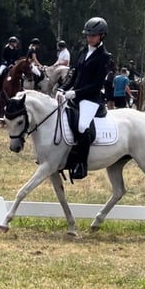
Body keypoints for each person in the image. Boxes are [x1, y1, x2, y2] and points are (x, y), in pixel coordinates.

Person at [57, 16, 112, 180]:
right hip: (76, 96)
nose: (90, 38)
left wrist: (76, 93)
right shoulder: (83, 51)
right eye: (88, 35)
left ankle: (82, 164)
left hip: (91, 99)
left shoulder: (104, 56)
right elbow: (74, 75)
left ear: (101, 36)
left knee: (82, 126)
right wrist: (63, 88)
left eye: (93, 35)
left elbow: (96, 84)